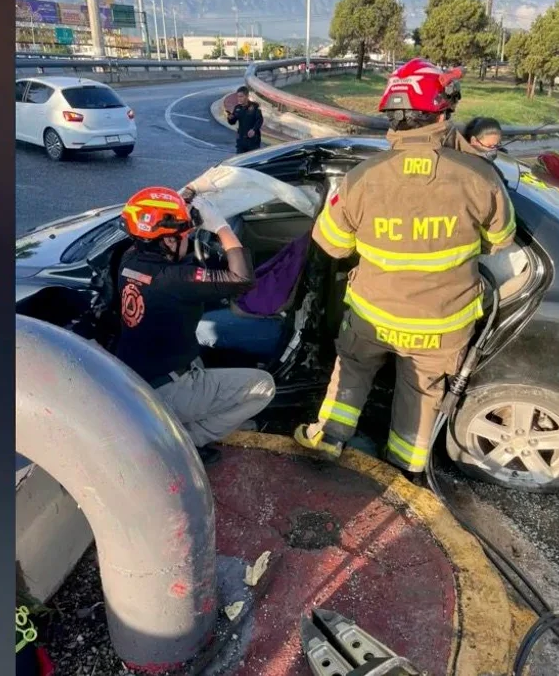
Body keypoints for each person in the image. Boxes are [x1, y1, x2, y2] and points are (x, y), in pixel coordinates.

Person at [293, 58, 517, 477]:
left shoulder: (362, 178)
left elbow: (332, 244)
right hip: (441, 323)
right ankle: (404, 468)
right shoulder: (480, 177)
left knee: (353, 372)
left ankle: (329, 438)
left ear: (392, 116)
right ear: (443, 113)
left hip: (373, 315)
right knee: (421, 392)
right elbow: (500, 240)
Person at [115, 186, 276, 464]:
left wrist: (183, 207)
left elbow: (168, 250)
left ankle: (180, 422)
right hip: (168, 389)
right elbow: (242, 279)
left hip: (136, 378)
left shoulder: (128, 260)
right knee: (264, 386)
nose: (188, 239)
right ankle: (186, 442)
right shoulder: (175, 280)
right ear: (168, 241)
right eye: (184, 235)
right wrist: (221, 227)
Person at [226, 86, 264, 154]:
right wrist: (230, 118)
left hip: (253, 141)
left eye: (241, 96)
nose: (239, 99)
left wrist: (254, 130)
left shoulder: (255, 106)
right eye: (238, 96)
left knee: (252, 159)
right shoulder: (237, 108)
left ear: (247, 96)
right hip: (241, 141)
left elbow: (260, 120)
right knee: (240, 159)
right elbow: (232, 122)